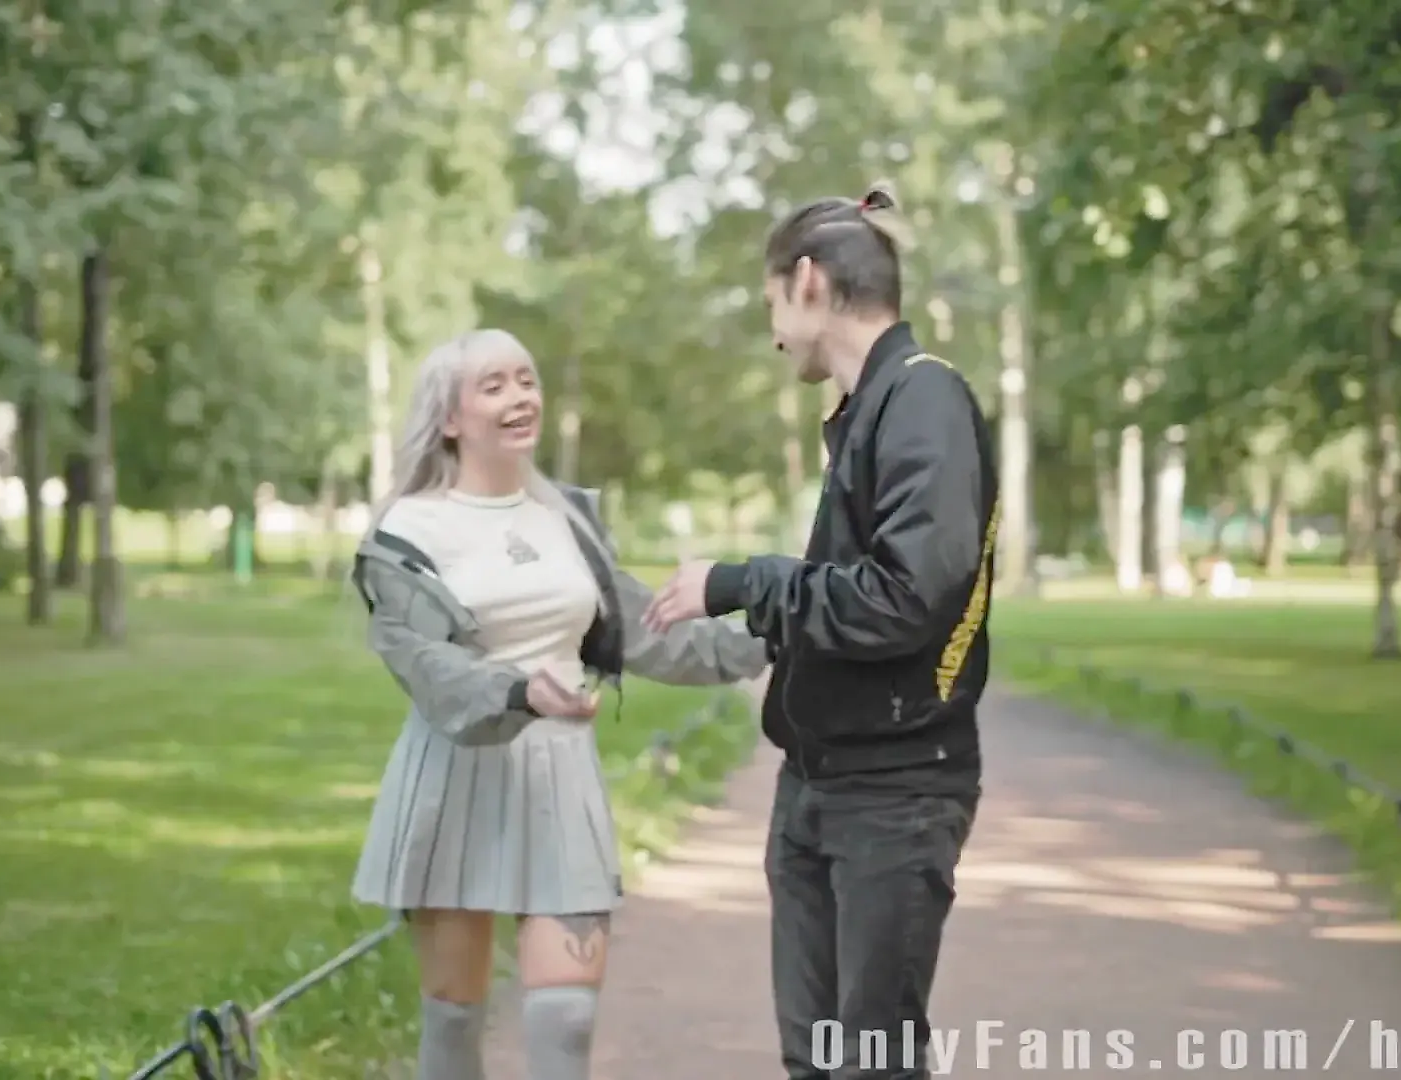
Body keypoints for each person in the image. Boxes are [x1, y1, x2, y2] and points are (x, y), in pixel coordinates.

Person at [643, 182, 999, 1080]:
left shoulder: (925, 401)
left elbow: (902, 599)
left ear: (807, 283)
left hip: (895, 795)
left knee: (871, 1063)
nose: (773, 334)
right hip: (816, 785)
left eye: (770, 303)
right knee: (816, 1060)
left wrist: (740, 582)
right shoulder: (866, 411)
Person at [348, 329, 769, 1080]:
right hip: (454, 776)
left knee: (566, 1019)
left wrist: (782, 636)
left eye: (526, 379)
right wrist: (518, 690)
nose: (520, 398)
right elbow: (428, 669)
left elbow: (649, 633)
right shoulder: (406, 532)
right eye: (494, 386)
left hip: (560, 779)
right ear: (450, 417)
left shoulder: (565, 517)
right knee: (453, 1023)